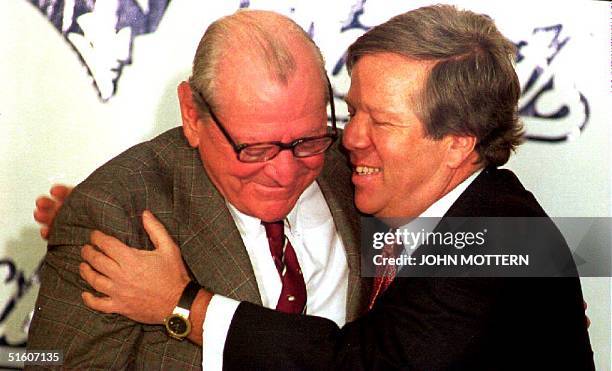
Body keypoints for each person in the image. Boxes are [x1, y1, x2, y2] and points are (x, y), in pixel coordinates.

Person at [35, 4, 595, 370]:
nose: (348, 140)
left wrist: (185, 305)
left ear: (457, 143)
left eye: (382, 122)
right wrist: (103, 209)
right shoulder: (398, 199)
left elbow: (361, 364)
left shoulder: (501, 235)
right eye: (351, 113)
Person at [27, 10, 369, 370]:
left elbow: (413, 338)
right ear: (192, 114)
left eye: (307, 141)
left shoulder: (360, 172)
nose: (285, 173)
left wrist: (184, 304)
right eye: (254, 149)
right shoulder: (114, 216)